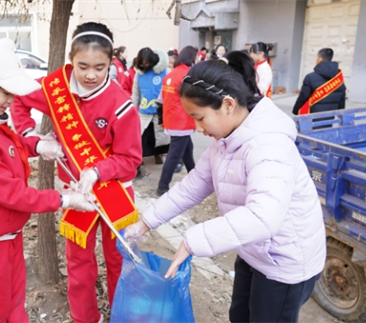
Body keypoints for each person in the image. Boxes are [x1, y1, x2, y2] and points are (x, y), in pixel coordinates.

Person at [125, 51, 326, 323]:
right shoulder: (226, 139)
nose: (197, 128)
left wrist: (192, 239)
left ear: (228, 104)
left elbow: (263, 216)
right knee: (239, 316)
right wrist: (145, 223)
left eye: (200, 117)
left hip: (284, 260)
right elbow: (192, 186)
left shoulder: (268, 145)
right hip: (254, 248)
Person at [0, 41, 95, 323]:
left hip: (6, 234)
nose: (11, 100)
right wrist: (64, 199)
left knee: (14, 305)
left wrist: (36, 146)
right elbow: (13, 194)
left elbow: (7, 144)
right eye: (5, 92)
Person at [11, 22, 142, 323]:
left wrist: (97, 170)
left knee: (118, 260)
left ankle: (122, 315)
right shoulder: (55, 90)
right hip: (76, 193)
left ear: (112, 62)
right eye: (83, 66)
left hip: (114, 192)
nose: (91, 75)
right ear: (71, 60)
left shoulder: (120, 105)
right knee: (79, 264)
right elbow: (18, 98)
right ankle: (86, 318)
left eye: (100, 66)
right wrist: (35, 139)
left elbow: (130, 159)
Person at [156, 46, 198, 196]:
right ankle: (162, 186)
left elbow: (160, 101)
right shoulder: (187, 75)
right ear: (191, 58)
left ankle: (195, 178)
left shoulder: (170, 75)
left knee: (187, 150)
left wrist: (162, 119)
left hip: (172, 119)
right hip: (182, 121)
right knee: (174, 155)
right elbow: (194, 99)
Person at [132, 47, 169, 170]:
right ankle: (139, 159)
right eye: (142, 63)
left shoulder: (165, 72)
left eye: (147, 62)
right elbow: (136, 93)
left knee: (158, 137)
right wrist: (132, 109)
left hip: (160, 111)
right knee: (141, 137)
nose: (145, 65)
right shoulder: (139, 75)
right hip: (144, 111)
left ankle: (157, 155)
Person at [292, 48, 346, 129]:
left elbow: (303, 97)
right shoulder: (338, 78)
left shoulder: (310, 77)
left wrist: (296, 110)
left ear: (319, 59)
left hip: (311, 119)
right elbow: (341, 101)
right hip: (329, 119)